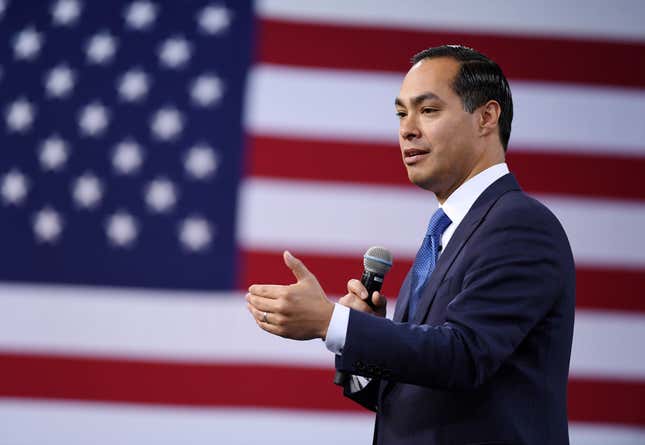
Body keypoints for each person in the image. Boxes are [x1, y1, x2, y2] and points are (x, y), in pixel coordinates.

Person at [246, 45, 575, 445]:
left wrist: (331, 322)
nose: (407, 129)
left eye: (428, 110)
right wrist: (365, 331)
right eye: (401, 113)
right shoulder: (450, 231)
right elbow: (415, 396)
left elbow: (464, 357)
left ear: (486, 117)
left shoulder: (519, 224)